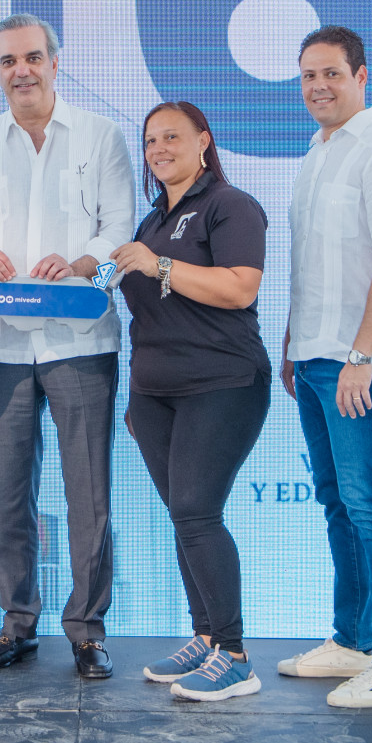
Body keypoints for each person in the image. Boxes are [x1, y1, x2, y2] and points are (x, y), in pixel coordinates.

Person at [0, 12, 136, 680]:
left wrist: (82, 262)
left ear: (55, 63)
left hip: (81, 340)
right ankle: (17, 622)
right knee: (6, 495)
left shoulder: (100, 136)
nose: (21, 70)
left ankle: (87, 630)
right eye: (8, 61)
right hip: (1, 345)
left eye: (32, 57)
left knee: (88, 494)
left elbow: (119, 228)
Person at [277, 25, 372, 708]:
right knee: (338, 502)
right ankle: (354, 640)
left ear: (362, 77)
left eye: (331, 73)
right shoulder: (316, 154)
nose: (318, 86)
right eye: (308, 75)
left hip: (359, 360)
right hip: (313, 356)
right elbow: (315, 264)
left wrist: (361, 355)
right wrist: (293, 342)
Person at [112, 103, 271, 702]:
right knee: (184, 516)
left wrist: (158, 264)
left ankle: (235, 655)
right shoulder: (151, 221)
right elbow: (131, 299)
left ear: (203, 140)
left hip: (222, 383)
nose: (159, 149)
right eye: (150, 140)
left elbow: (239, 288)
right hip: (155, 393)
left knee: (197, 513)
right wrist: (78, 270)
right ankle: (205, 638)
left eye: (172, 137)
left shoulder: (230, 206)